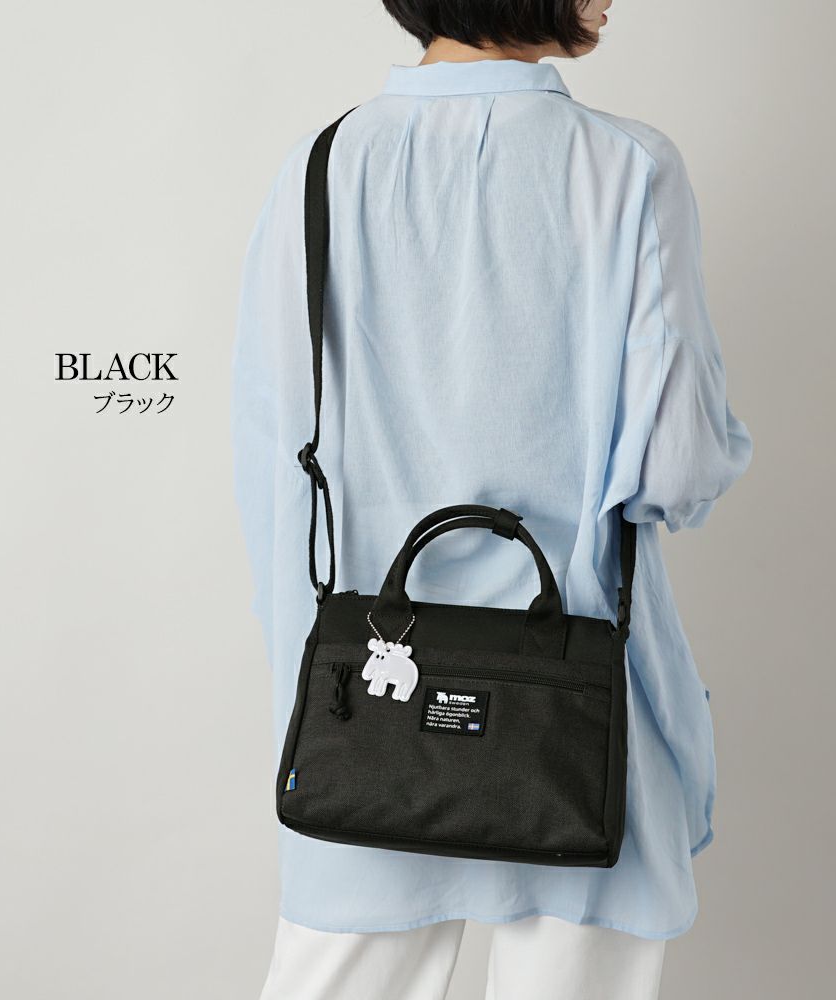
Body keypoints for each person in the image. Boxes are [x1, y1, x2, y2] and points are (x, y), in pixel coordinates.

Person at [230, 1, 753, 997]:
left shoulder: (317, 169)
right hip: (576, 708)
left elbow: (276, 468)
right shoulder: (629, 169)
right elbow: (676, 469)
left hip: (367, 705)